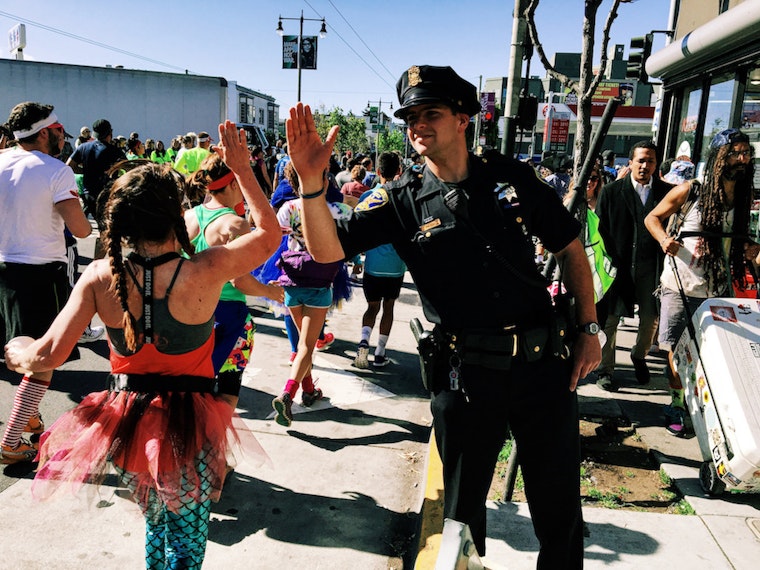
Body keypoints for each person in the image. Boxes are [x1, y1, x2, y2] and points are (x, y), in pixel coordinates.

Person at [285, 65, 601, 565]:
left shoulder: (511, 177)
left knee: (560, 517)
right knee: (459, 522)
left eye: (430, 112)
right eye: (410, 116)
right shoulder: (399, 199)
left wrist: (588, 329)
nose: (417, 125)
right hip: (467, 377)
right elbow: (327, 251)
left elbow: (571, 249)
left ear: (463, 118)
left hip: (542, 367)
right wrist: (310, 183)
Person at [3, 121, 280, 566]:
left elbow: (45, 355)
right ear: (176, 215)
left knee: (154, 521)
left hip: (128, 423)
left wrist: (16, 347)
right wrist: (243, 170)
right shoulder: (205, 270)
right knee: (187, 537)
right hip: (193, 421)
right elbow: (270, 235)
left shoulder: (100, 277)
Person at [644, 128, 758, 435]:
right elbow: (652, 218)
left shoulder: (744, 197)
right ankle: (677, 403)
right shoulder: (690, 190)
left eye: (746, 153)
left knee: (714, 349)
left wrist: (750, 247)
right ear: (719, 156)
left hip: (718, 289)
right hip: (681, 283)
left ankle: (708, 405)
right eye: (735, 153)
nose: (742, 159)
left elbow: (740, 240)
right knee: (675, 346)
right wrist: (664, 238)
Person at [0, 102, 92, 464]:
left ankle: (30, 414)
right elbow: (81, 229)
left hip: (2, 266)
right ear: (43, 133)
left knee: (16, 345)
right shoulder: (56, 171)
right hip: (39, 270)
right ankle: (11, 440)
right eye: (57, 133)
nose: (61, 140)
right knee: (43, 358)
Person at [185, 152, 284, 410]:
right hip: (229, 318)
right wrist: (269, 292)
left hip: (190, 313)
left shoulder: (188, 217)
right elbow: (239, 282)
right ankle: (212, 443)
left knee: (191, 386)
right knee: (227, 392)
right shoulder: (235, 225)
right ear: (232, 183)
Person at [270, 162, 354, 427]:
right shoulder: (334, 210)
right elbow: (353, 214)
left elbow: (274, 235)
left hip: (293, 281)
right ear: (324, 182)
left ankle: (309, 390)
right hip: (320, 283)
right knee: (306, 346)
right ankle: (288, 393)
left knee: (302, 345)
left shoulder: (287, 209)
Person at [594, 140, 672, 391]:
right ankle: (605, 369)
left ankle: (639, 356)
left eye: (650, 161)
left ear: (656, 164)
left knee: (650, 319)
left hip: (652, 267)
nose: (644, 165)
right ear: (630, 163)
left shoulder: (667, 192)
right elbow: (601, 229)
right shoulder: (612, 192)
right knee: (610, 320)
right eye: (640, 160)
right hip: (618, 267)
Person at [352, 151, 406, 369]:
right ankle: (380, 352)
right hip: (395, 267)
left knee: (371, 307)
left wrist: (356, 258)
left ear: (377, 171)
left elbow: (355, 231)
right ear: (399, 171)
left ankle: (364, 341)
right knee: (389, 307)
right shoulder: (403, 198)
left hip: (373, 265)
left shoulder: (367, 197)